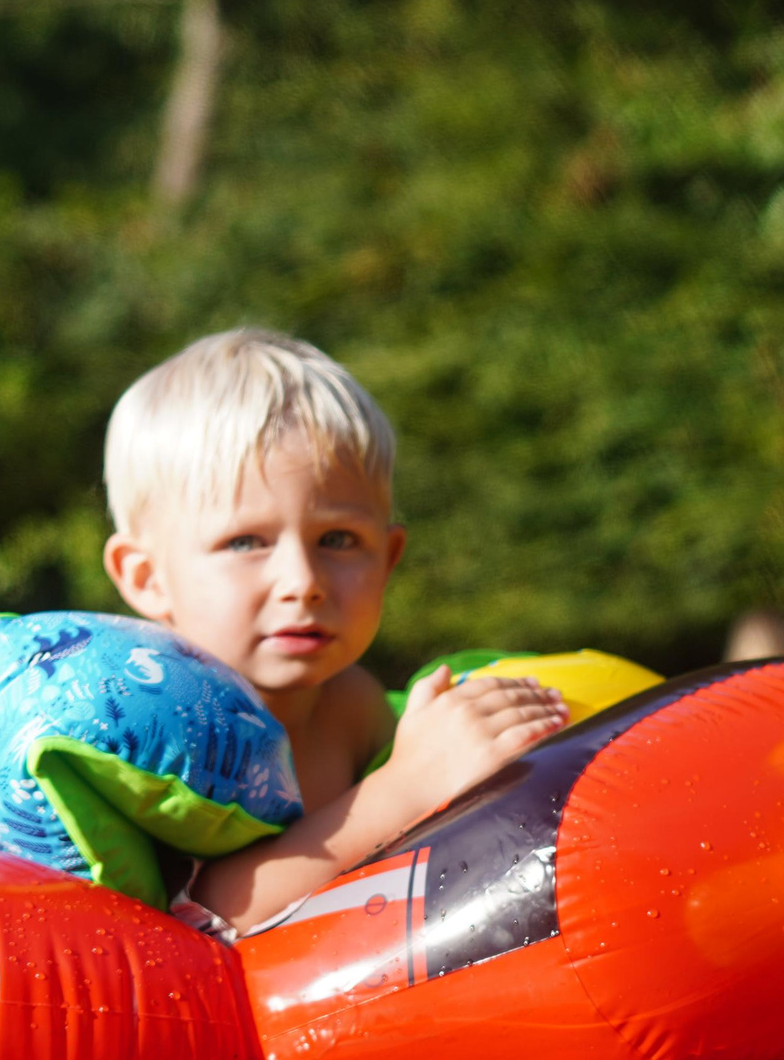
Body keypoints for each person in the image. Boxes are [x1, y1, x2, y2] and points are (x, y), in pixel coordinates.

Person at [99, 329, 569, 931]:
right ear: (147, 578)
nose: (303, 580)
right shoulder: (159, 724)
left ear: (388, 557)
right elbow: (206, 912)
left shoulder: (352, 706)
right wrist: (406, 787)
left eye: (339, 540)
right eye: (245, 541)